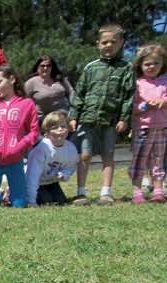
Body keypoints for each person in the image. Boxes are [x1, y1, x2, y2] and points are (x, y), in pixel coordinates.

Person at [69, 23, 135, 206]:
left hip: (110, 120)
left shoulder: (126, 68)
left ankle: (106, 192)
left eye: (113, 42)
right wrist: (74, 116)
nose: (108, 45)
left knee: (108, 155)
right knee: (85, 155)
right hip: (87, 118)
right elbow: (79, 93)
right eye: (104, 42)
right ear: (98, 43)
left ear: (121, 43)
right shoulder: (91, 68)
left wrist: (124, 118)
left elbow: (128, 96)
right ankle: (80, 192)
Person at [0, 65, 40, 207]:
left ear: (12, 79)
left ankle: (8, 194)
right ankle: (0, 193)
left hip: (15, 161)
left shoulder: (27, 104)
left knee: (19, 205)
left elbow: (34, 132)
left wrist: (20, 146)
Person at [128, 43, 167, 203]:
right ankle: (137, 192)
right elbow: (131, 106)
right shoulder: (137, 83)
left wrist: (163, 101)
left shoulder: (165, 82)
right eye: (147, 64)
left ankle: (158, 191)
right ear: (140, 65)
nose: (151, 66)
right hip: (142, 127)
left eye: (156, 63)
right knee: (140, 159)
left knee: (159, 159)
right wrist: (145, 105)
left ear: (163, 63)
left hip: (162, 126)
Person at [25, 111, 79, 206]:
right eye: (55, 128)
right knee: (47, 201)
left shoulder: (71, 148)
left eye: (63, 126)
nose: (60, 130)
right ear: (47, 132)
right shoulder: (42, 149)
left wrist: (64, 174)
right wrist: (31, 200)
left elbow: (71, 167)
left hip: (51, 182)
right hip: (37, 182)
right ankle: (14, 192)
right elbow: (32, 176)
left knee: (60, 201)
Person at [25, 55, 75, 124]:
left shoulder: (60, 79)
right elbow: (22, 99)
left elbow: (71, 92)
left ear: (52, 67)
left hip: (63, 114)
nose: (45, 68)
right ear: (38, 67)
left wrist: (75, 108)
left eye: (48, 66)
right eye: (42, 66)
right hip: (44, 119)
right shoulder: (32, 82)